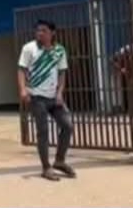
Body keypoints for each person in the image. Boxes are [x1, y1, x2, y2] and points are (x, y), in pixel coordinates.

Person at [18, 19, 75, 181]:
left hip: (53, 97)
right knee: (43, 131)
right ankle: (46, 167)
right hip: (36, 96)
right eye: (38, 30)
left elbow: (62, 72)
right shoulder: (29, 48)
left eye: (44, 30)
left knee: (67, 126)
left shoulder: (59, 50)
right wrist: (23, 89)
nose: (40, 33)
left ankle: (60, 161)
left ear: (52, 33)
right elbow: (21, 69)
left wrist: (60, 93)